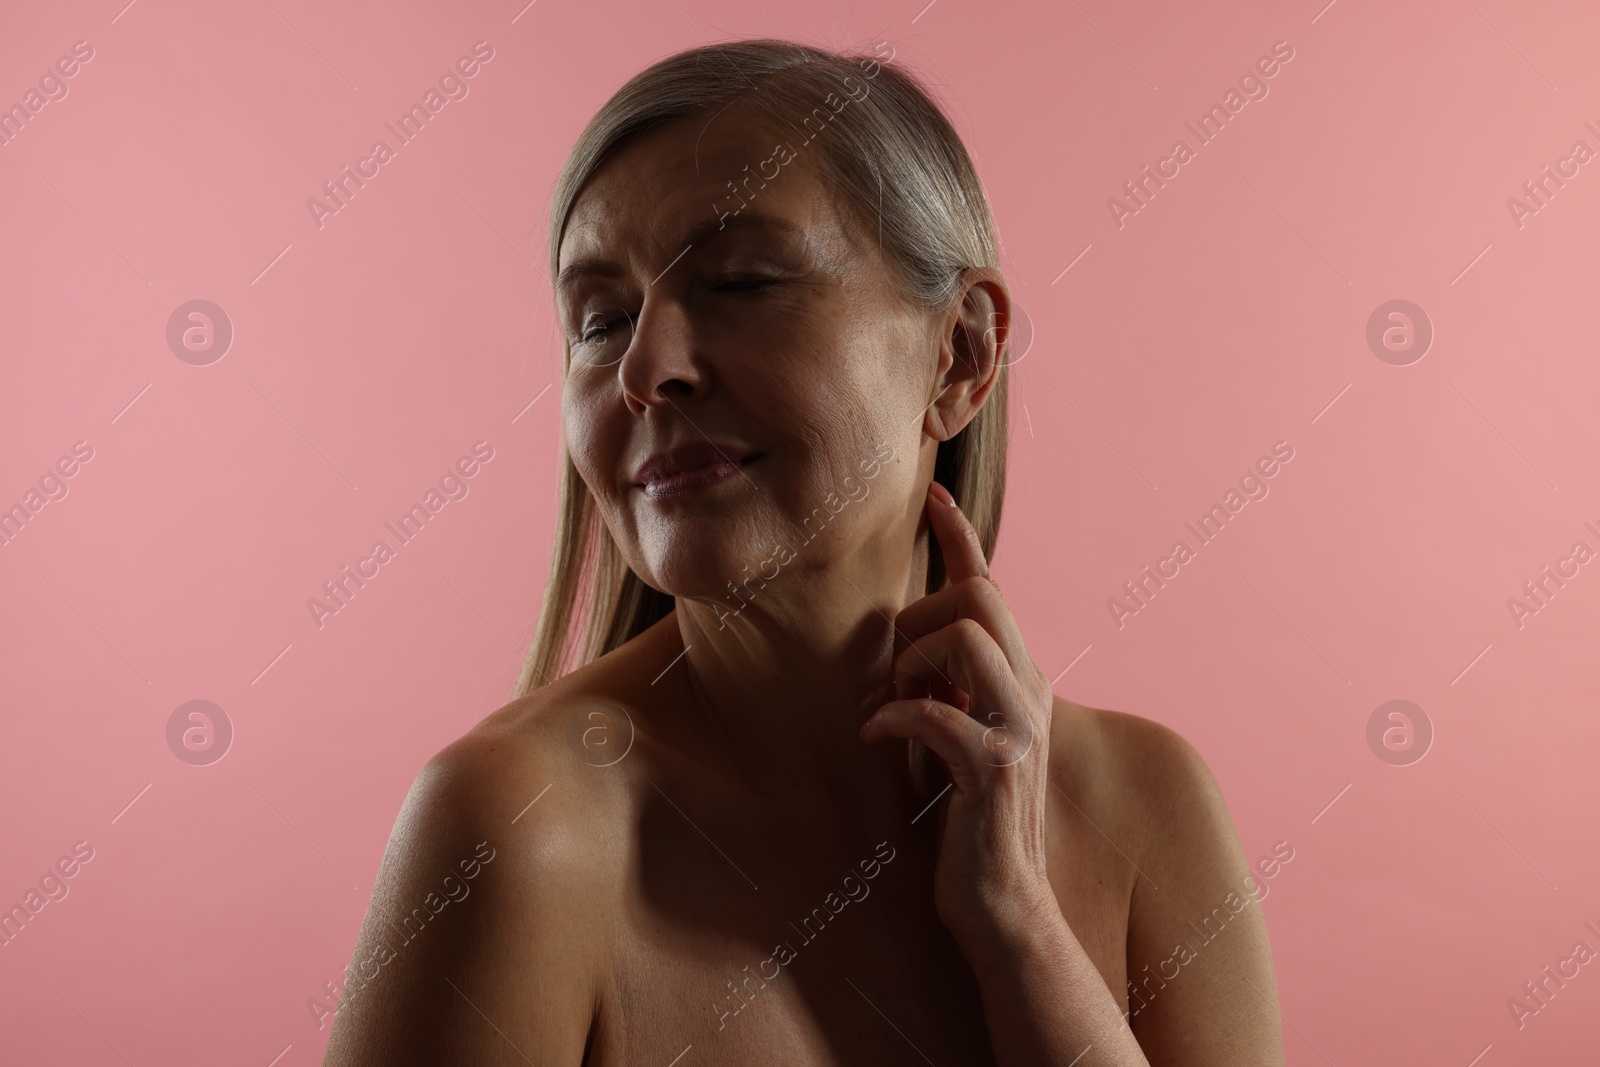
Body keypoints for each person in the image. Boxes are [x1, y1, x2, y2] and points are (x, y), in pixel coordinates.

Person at [322, 37, 1285, 1066]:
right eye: (600, 319)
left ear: (960, 353)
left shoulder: (1149, 806)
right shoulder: (515, 831)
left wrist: (1019, 928)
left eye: (740, 281)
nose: (646, 367)